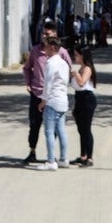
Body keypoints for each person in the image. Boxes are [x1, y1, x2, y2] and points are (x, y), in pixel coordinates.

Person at [21, 23, 72, 166]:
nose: (44, 36)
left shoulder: (61, 52)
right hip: (37, 93)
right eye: (43, 33)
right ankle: (32, 151)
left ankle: (52, 157)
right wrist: (28, 83)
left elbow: (68, 70)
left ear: (54, 35)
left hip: (51, 97)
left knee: (53, 128)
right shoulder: (36, 50)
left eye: (48, 34)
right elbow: (27, 68)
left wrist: (62, 88)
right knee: (34, 124)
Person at [36, 38, 71, 170]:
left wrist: (43, 100)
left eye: (46, 46)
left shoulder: (51, 63)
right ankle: (63, 158)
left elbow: (48, 83)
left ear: (52, 48)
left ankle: (51, 161)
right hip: (63, 100)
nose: (44, 49)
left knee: (49, 131)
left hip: (53, 101)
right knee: (61, 130)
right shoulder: (64, 63)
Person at [70, 45, 97, 167]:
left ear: (82, 55)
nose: (75, 57)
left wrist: (75, 74)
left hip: (87, 99)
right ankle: (83, 155)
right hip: (79, 99)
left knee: (86, 129)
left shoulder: (87, 69)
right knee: (81, 130)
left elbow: (81, 83)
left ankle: (90, 158)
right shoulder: (81, 68)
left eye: (76, 54)